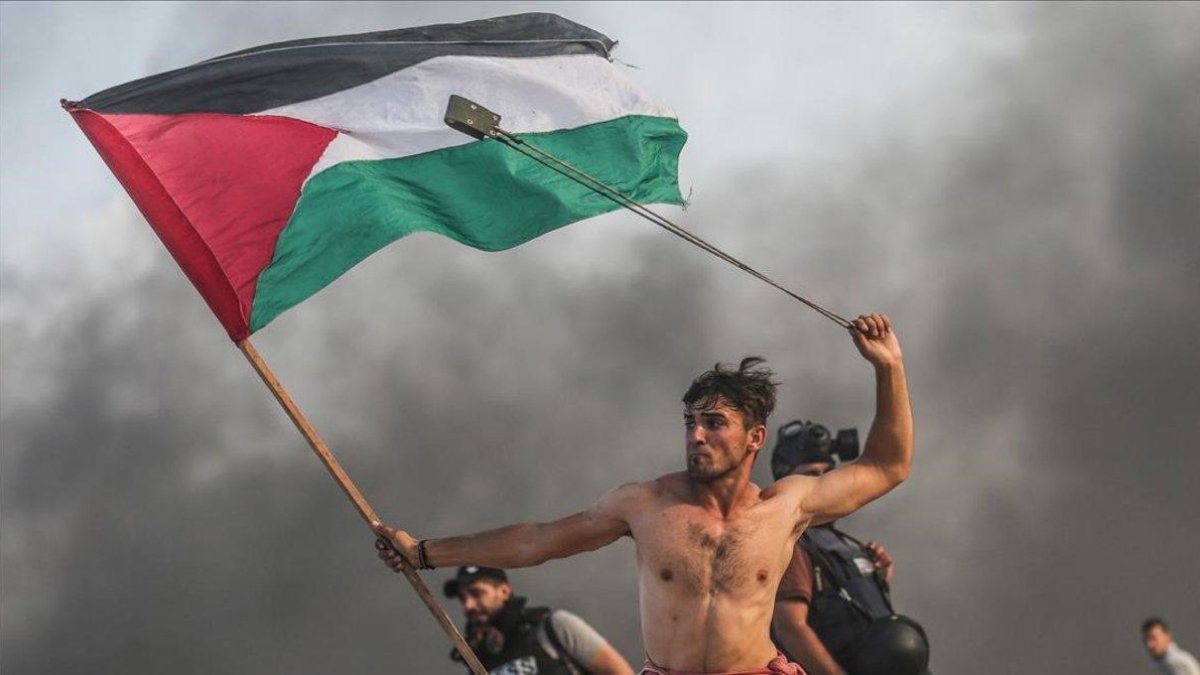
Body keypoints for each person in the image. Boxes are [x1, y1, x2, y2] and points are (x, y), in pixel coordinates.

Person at [377, 313, 913, 675]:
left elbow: (888, 466)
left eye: (713, 422)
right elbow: (538, 540)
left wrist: (889, 367)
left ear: (754, 438)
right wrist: (424, 552)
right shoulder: (646, 505)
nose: (696, 435)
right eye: (689, 422)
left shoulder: (785, 506)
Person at [769, 419, 929, 675]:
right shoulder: (794, 542)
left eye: (827, 474)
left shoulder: (840, 542)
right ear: (786, 480)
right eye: (810, 475)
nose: (822, 484)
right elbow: (790, 626)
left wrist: (876, 577)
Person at [438, 565, 634, 675]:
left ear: (504, 591)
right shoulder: (474, 661)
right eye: (463, 598)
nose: (468, 605)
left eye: (477, 593)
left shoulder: (554, 627)